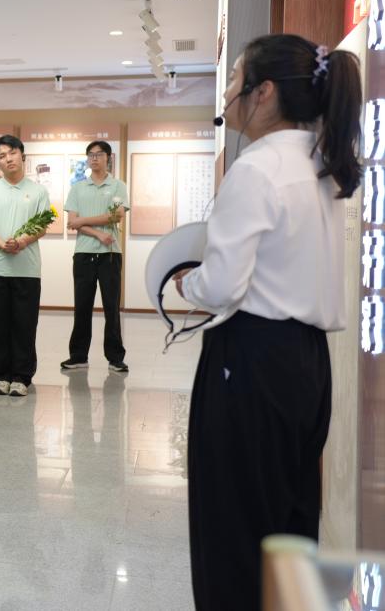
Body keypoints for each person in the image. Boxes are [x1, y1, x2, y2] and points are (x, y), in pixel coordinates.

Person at [172, 34, 360, 611]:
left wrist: (186, 284)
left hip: (250, 362)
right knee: (290, 524)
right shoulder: (322, 163)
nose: (227, 92)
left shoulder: (257, 168)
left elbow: (223, 286)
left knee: (232, 532)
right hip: (307, 363)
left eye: (234, 79)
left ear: (265, 92)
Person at [0, 135, 49, 397]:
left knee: (24, 323)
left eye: (12, 153)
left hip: (26, 269)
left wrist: (21, 242)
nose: (8, 159)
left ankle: (21, 376)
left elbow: (42, 225)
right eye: (1, 156)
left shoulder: (38, 191)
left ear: (22, 155)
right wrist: (3, 244)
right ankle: (1, 375)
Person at [62, 140, 130, 374]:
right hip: (84, 254)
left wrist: (83, 221)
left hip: (110, 254)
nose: (94, 158)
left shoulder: (118, 186)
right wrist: (98, 233)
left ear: (108, 158)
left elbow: (117, 216)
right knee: (82, 307)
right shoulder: (78, 188)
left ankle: (115, 358)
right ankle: (78, 356)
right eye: (90, 154)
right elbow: (72, 222)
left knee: (111, 307)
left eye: (99, 154)